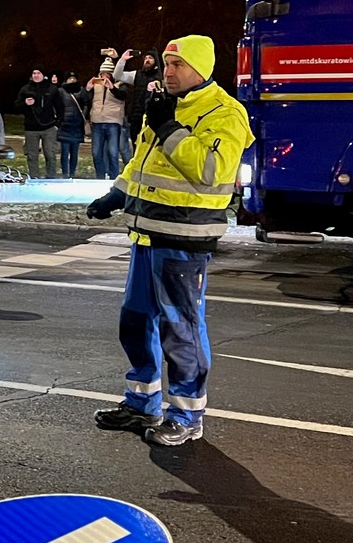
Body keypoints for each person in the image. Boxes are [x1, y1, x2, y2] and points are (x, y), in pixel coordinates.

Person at [84, 35, 253, 448]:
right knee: (136, 320)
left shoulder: (225, 113)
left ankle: (186, 415)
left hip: (186, 238)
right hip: (149, 231)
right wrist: (118, 194)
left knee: (181, 329)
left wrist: (169, 129)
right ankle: (141, 403)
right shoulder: (166, 106)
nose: (169, 72)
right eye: (166, 64)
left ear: (202, 69)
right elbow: (143, 162)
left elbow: (210, 170)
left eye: (178, 65)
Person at [85, 57, 130, 180]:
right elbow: (86, 100)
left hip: (113, 122)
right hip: (97, 121)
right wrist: (88, 89)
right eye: (103, 73)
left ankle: (113, 177)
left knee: (113, 152)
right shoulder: (96, 84)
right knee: (96, 152)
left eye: (108, 73)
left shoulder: (121, 84)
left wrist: (112, 88)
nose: (105, 76)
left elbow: (123, 96)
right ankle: (100, 176)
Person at [16, 67, 58, 177]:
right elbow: (16, 107)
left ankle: (51, 177)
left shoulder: (52, 89)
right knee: (32, 156)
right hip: (31, 128)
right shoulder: (25, 89)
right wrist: (25, 103)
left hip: (48, 128)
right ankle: (34, 177)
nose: (36, 75)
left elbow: (60, 107)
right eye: (34, 73)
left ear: (43, 75)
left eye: (38, 73)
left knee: (50, 154)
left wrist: (58, 122)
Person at [54, 70, 84, 178]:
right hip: (64, 125)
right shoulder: (61, 91)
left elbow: (86, 103)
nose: (72, 80)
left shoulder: (81, 91)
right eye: (70, 78)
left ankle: (72, 173)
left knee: (74, 152)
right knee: (65, 151)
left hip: (77, 126)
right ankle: (65, 173)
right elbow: (56, 105)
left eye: (74, 78)